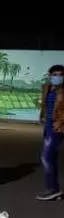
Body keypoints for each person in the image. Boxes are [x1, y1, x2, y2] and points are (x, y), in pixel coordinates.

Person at [37, 65, 64, 201]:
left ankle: (52, 189)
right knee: (51, 158)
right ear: (50, 75)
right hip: (48, 126)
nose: (57, 77)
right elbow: (46, 105)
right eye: (54, 74)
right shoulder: (47, 87)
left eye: (60, 75)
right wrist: (42, 115)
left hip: (58, 128)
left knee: (46, 157)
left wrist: (60, 122)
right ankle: (55, 190)